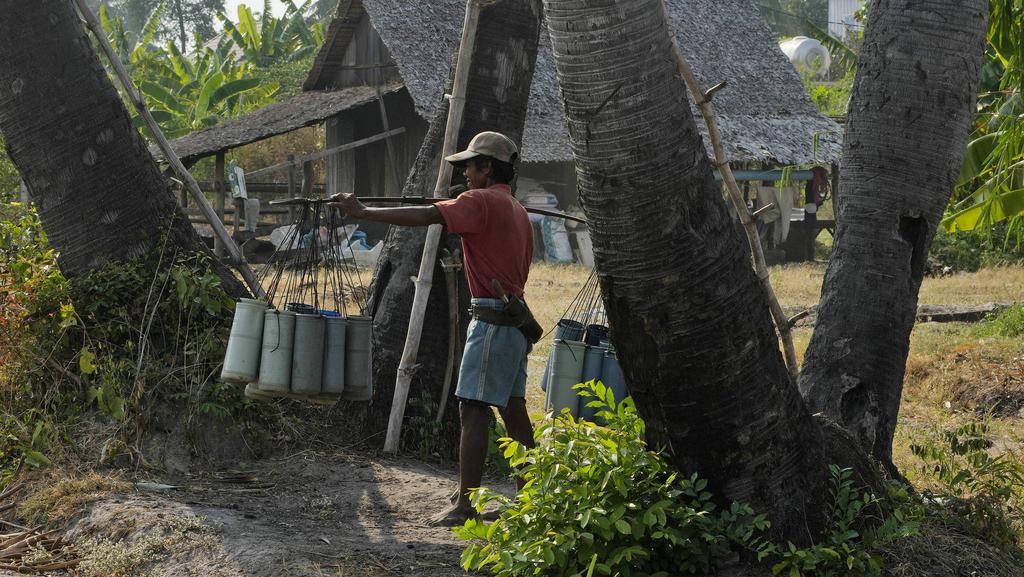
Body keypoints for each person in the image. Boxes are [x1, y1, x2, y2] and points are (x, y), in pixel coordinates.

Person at [332, 131, 536, 526]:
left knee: (472, 408)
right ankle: (530, 500)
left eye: (469, 167)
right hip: (515, 323)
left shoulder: (480, 201)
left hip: (492, 322)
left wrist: (364, 211)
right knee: (514, 411)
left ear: (486, 168)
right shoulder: (516, 210)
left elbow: (429, 216)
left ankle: (465, 505)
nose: (465, 175)